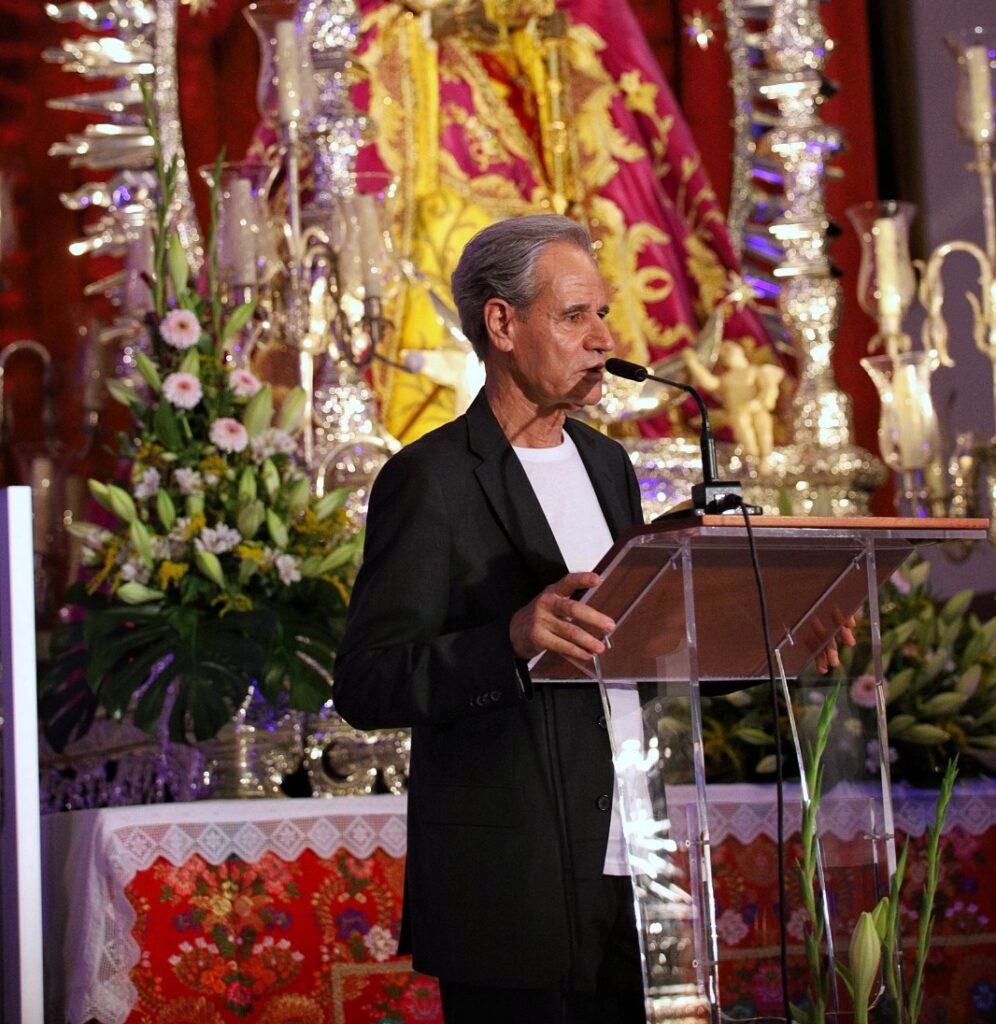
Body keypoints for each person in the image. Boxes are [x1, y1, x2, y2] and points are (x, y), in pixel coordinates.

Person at [333, 213, 647, 1022]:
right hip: (512, 875)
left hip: (637, 860)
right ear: (501, 324)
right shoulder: (431, 479)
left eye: (604, 314)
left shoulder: (609, 466)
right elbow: (367, 681)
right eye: (576, 315)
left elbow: (634, 649)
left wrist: (783, 636)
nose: (602, 338)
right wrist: (506, 642)